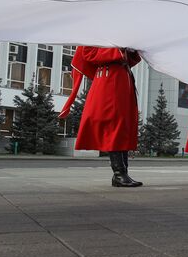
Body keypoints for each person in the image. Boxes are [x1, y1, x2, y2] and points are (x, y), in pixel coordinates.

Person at [58, 45, 143, 188]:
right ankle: (119, 174)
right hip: (109, 79)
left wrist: (130, 51)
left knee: (123, 126)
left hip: (122, 78)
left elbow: (128, 60)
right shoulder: (96, 33)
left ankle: (122, 174)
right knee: (115, 125)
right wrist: (119, 50)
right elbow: (88, 53)